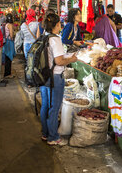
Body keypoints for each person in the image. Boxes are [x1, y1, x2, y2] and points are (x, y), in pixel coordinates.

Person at [40, 13, 78, 145]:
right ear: (57, 25)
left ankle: (45, 133)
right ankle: (53, 137)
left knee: (45, 105)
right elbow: (59, 61)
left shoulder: (44, 36)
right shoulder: (55, 39)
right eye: (60, 23)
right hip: (55, 77)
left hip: (43, 76)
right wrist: (72, 59)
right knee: (54, 107)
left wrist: (65, 56)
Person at [3, 14, 16, 79]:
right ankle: (7, 74)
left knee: (7, 57)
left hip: (6, 43)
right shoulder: (10, 25)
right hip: (9, 42)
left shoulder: (6, 25)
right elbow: (11, 35)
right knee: (9, 58)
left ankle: (7, 73)